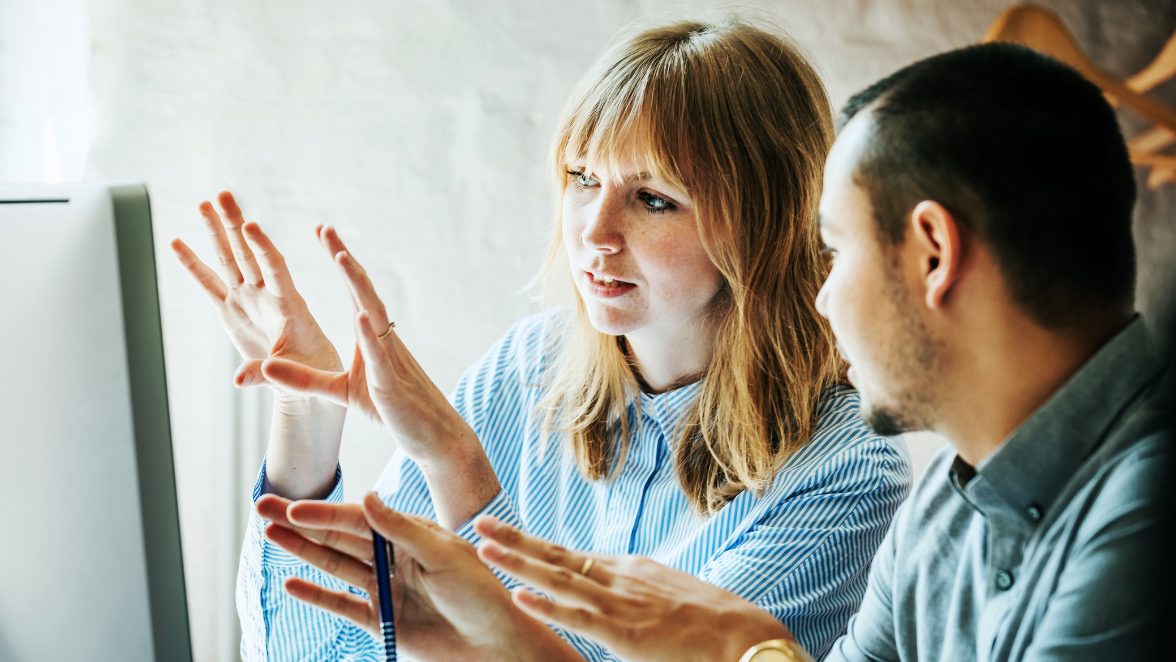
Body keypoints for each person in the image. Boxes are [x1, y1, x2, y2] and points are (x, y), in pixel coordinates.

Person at [263, 41, 1171, 661]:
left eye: (838, 248)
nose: (821, 291)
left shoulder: (1146, 506)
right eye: (581, 181)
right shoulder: (952, 500)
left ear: (933, 254)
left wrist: (745, 653)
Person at [171, 18, 911, 661]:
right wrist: (307, 418)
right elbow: (320, 654)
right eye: (582, 178)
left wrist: (458, 467)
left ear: (766, 224)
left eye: (653, 199)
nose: (595, 231)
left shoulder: (846, 470)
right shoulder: (528, 369)